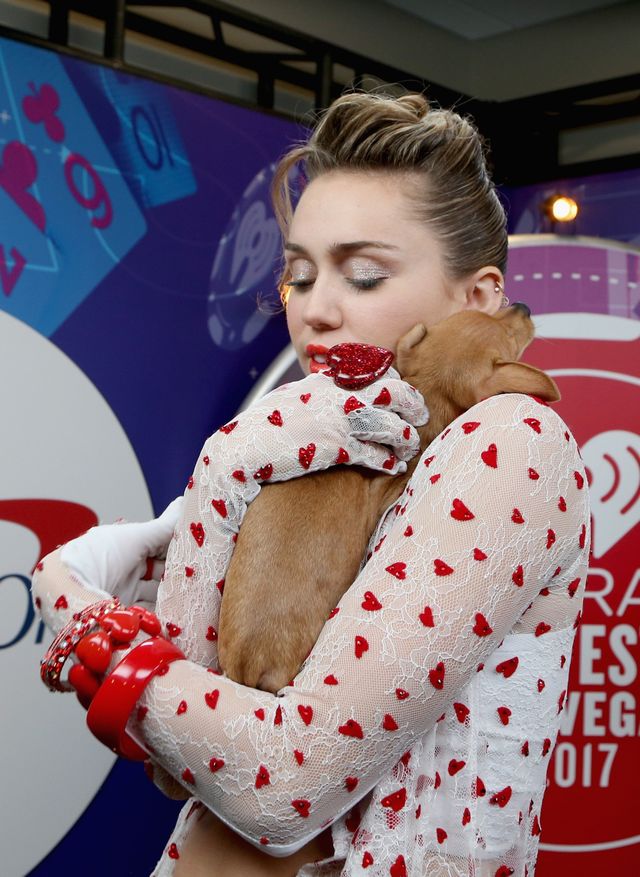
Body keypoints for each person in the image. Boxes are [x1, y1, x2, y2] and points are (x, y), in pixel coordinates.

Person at [33, 91, 590, 877]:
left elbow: (284, 785)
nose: (317, 310)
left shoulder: (510, 440)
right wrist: (219, 491)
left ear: (479, 298)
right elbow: (178, 761)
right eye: (299, 274)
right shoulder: (310, 455)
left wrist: (82, 615)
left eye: (364, 275)